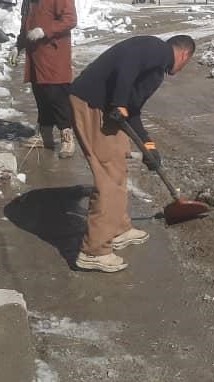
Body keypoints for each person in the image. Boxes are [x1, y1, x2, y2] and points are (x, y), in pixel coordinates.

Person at [68, 34, 196, 272]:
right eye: (185, 64)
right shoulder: (157, 49)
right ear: (184, 54)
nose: (181, 69)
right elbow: (129, 61)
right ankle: (93, 251)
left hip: (106, 109)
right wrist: (119, 102)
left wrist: (148, 146)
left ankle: (118, 229)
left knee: (119, 164)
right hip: (92, 104)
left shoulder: (155, 71)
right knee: (108, 176)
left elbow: (133, 110)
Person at [8, 0, 78, 158]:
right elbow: (25, 24)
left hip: (54, 57)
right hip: (35, 57)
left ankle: (67, 138)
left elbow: (70, 20)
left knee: (57, 98)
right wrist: (18, 46)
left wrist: (44, 30)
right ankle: (45, 136)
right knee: (42, 98)